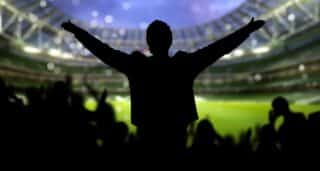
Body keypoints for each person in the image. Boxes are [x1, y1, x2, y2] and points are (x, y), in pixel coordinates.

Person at [62, 18, 265, 150]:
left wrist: (78, 32)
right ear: (170, 40)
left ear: (148, 44)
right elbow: (219, 48)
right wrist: (246, 30)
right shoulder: (184, 64)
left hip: (146, 140)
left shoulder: (137, 67)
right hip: (177, 139)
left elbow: (103, 51)